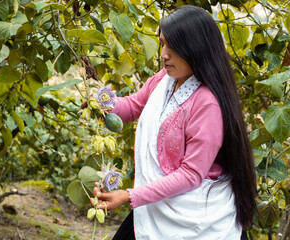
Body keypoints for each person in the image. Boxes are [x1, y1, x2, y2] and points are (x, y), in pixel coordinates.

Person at [90, 5, 257, 240]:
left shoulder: (207, 105)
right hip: (160, 201)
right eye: (162, 44)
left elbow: (191, 175)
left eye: (172, 47)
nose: (163, 54)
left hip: (196, 217)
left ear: (195, 49)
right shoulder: (165, 79)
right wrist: (100, 99)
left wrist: (129, 196)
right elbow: (132, 107)